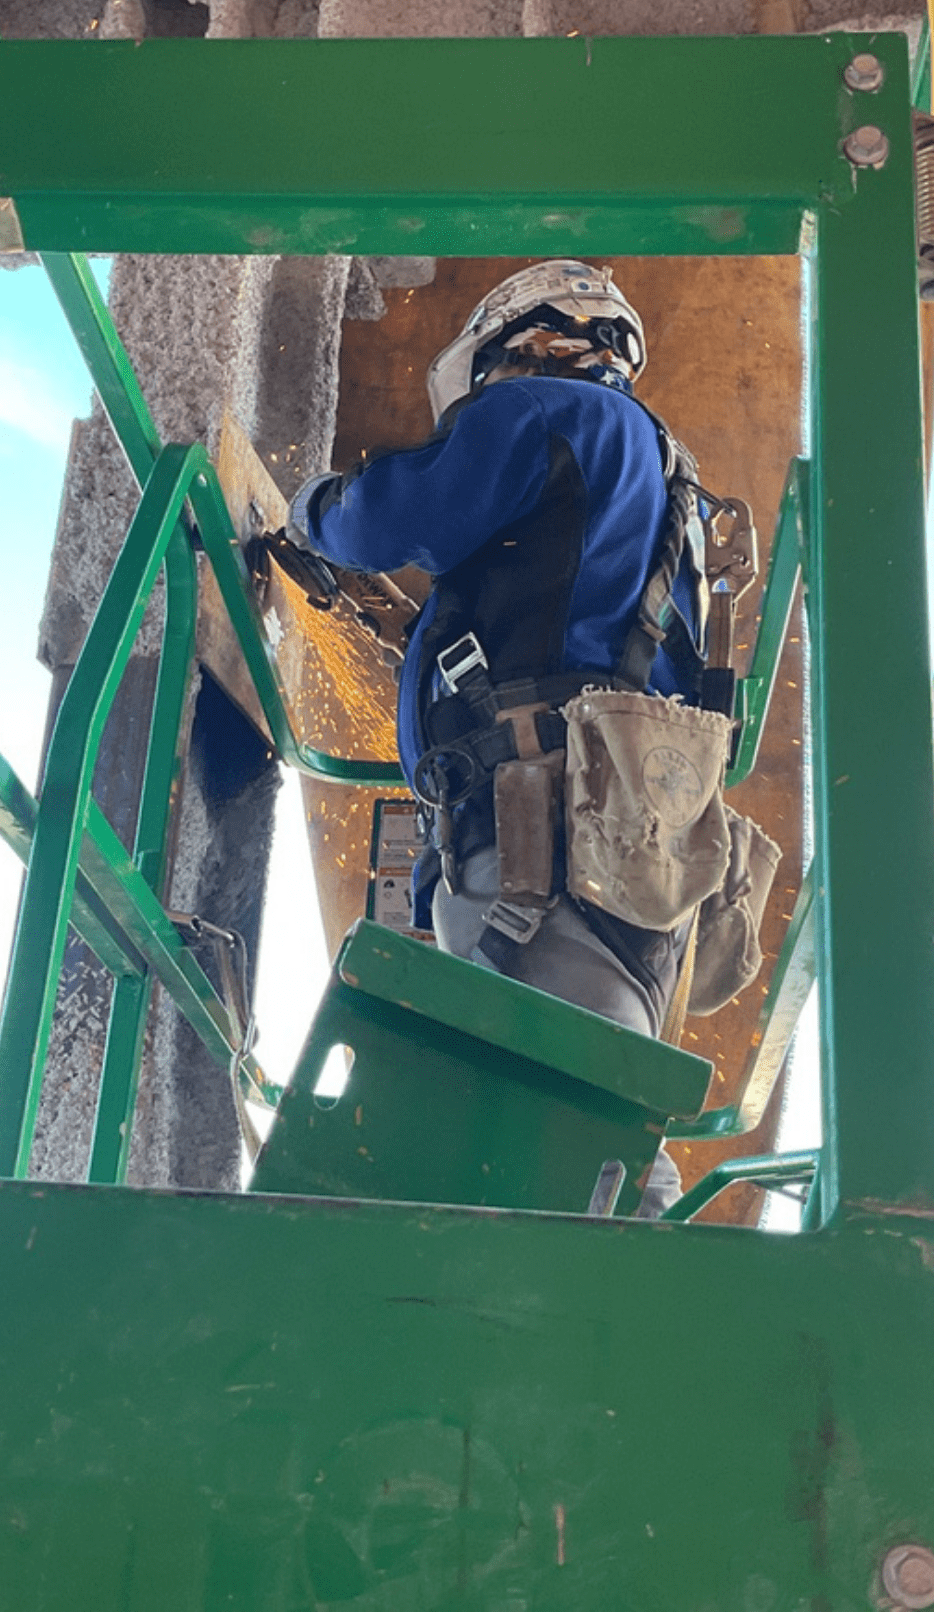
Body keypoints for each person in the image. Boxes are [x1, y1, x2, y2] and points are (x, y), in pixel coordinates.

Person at [288, 260, 715, 1215]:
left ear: (517, 343)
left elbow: (398, 515)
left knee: (535, 1140)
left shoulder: (556, 411)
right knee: (585, 1126)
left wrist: (311, 511)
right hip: (616, 863)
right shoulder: (662, 485)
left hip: (538, 846)